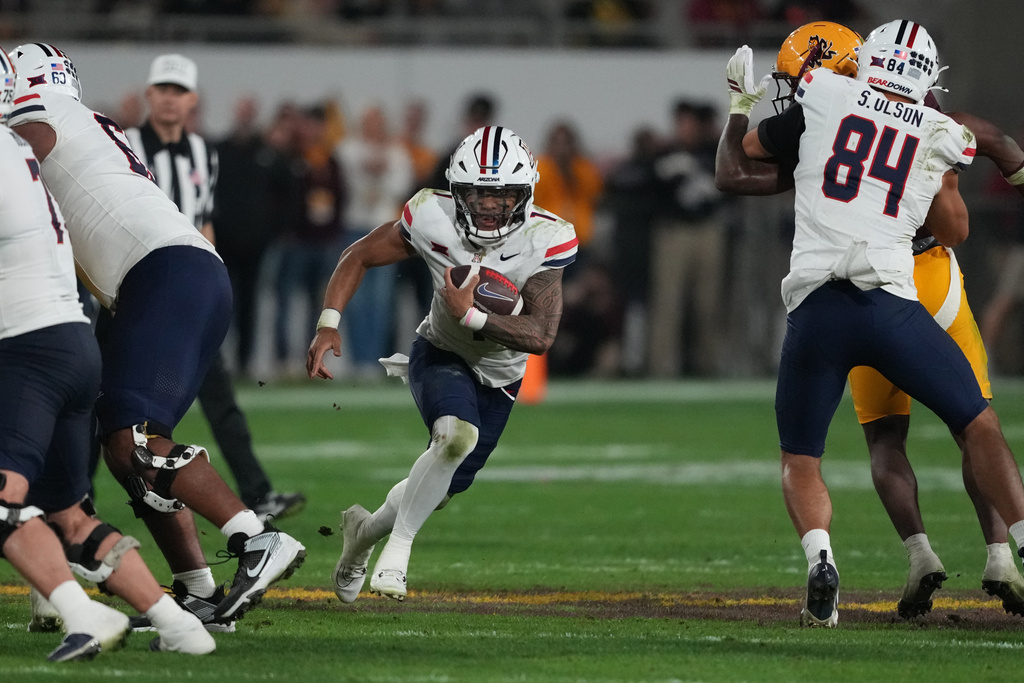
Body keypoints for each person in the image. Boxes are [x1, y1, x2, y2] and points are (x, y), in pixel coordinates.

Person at [714, 19, 1024, 627]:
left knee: (802, 458)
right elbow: (989, 147)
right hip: (892, 303)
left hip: (816, 311)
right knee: (979, 422)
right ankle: (1014, 543)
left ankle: (821, 564)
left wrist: (736, 108)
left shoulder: (823, 95)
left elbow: (734, 170)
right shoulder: (937, 127)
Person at [6, 43, 305, 632]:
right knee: (125, 443)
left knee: (133, 437)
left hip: (164, 274)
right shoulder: (81, 120)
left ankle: (255, 538)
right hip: (168, 277)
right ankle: (196, 588)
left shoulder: (35, 119)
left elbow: (25, 160)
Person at [0, 48, 214, 659]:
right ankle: (180, 625)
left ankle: (79, 611)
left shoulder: (19, 141)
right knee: (68, 515)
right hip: (70, 340)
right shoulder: (29, 149)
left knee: (6, 497)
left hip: (26, 348)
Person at [308, 125, 576, 601]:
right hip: (440, 350)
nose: (490, 206)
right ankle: (398, 553)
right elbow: (359, 255)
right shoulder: (431, 216)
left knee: (441, 483)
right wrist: (329, 321)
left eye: (503, 195)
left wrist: (469, 313)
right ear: (457, 192)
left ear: (525, 194)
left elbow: (541, 335)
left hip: (502, 376)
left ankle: (361, 537)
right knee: (455, 437)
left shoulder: (545, 238)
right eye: (478, 194)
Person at [124, 54, 305, 522]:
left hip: (186, 296)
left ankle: (258, 493)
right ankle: (71, 501)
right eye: (162, 88)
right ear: (149, 95)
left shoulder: (205, 153)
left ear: (192, 100)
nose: (169, 97)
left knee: (221, 399)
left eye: (178, 90)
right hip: (133, 292)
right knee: (100, 403)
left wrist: (213, 282)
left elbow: (204, 223)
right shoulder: (123, 145)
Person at [648, 99, 726, 377]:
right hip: (674, 231)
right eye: (682, 123)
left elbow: (726, 189)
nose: (686, 129)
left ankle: (708, 363)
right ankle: (662, 367)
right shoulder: (664, 154)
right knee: (668, 301)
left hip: (706, 230)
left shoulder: (711, 153)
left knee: (708, 302)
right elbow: (651, 188)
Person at [336, 104, 414, 377]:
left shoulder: (396, 152)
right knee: (355, 298)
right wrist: (369, 168)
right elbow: (344, 175)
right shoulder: (349, 148)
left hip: (385, 229)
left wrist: (382, 171)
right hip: (354, 226)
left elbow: (402, 185)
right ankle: (357, 360)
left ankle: (375, 360)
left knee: (381, 299)